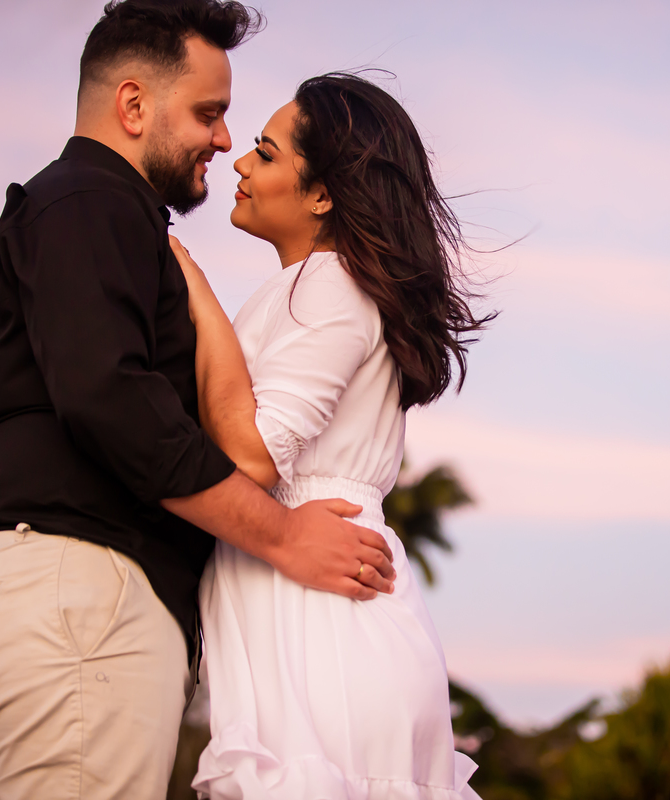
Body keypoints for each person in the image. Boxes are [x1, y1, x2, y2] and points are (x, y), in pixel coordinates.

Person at [0, 3, 395, 798]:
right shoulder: (87, 200)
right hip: (74, 593)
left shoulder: (109, 218)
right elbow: (111, 400)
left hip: (76, 600)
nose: (223, 139)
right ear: (134, 106)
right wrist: (282, 535)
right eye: (209, 114)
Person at [172, 73, 494, 799]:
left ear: (322, 193)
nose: (241, 164)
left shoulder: (330, 282)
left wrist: (194, 292)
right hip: (313, 608)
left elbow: (251, 455)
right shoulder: (307, 286)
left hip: (323, 623)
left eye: (265, 151)